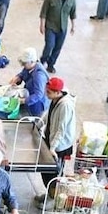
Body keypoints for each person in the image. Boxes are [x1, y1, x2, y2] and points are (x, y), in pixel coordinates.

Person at [35, 77, 76, 205]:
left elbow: (61, 129)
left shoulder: (65, 105)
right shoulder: (55, 99)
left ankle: (53, 200)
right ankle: (49, 194)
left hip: (60, 146)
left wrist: (52, 148)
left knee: (54, 175)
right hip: (51, 139)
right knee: (45, 171)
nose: (46, 94)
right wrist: (38, 124)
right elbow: (49, 114)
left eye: (49, 92)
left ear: (58, 92)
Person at [39, 0, 76, 73]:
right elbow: (43, 13)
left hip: (62, 28)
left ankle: (51, 64)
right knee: (49, 46)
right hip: (50, 27)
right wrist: (42, 25)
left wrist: (73, 26)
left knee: (57, 48)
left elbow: (73, 14)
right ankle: (42, 61)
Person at [9, 47, 50, 117]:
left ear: (32, 61)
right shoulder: (29, 66)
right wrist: (18, 77)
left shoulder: (39, 76)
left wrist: (24, 101)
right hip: (29, 94)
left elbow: (38, 95)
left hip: (37, 104)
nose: (23, 65)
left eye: (24, 63)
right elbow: (23, 73)